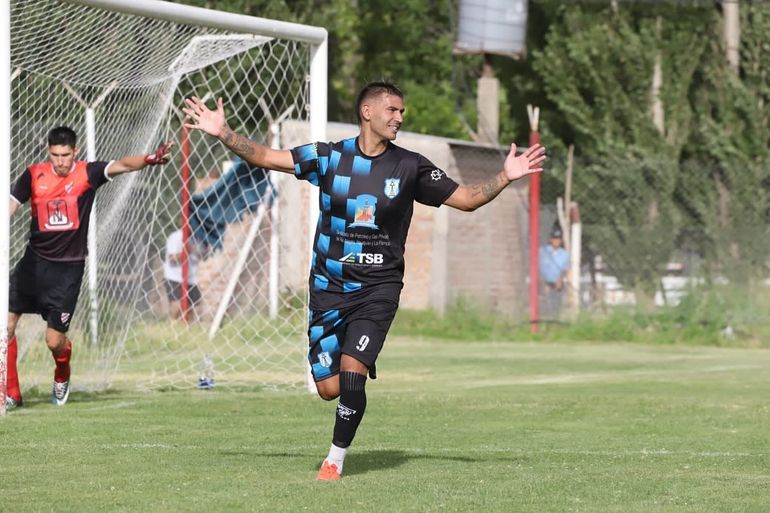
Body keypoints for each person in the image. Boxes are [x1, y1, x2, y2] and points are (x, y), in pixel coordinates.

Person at [182, 81, 546, 480]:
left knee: (353, 371)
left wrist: (506, 175)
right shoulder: (329, 158)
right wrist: (223, 133)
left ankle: (334, 460)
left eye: (402, 112)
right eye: (393, 110)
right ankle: (348, 386)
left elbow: (467, 199)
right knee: (329, 388)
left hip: (379, 288)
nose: (400, 118)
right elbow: (267, 157)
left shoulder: (410, 166)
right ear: (367, 112)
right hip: (328, 288)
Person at [6, 126, 173, 409]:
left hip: (67, 271)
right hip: (32, 265)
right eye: (55, 155)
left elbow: (120, 165)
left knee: (53, 341)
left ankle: (62, 373)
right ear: (49, 151)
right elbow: (9, 205)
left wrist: (148, 158)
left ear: (75, 151)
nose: (60, 161)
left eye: (65, 155)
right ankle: (11, 394)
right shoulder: (33, 175)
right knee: (5, 324)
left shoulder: (86, 174)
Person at [163, 228, 203, 321]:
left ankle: (187, 330)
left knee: (191, 308)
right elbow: (172, 259)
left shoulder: (200, 237)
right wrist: (188, 250)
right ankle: (171, 325)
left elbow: (204, 255)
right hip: (174, 276)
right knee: (176, 306)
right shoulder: (176, 237)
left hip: (192, 278)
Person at [539, 223, 570, 319]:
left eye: (558, 239)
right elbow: (538, 267)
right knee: (543, 309)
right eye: (554, 238)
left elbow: (565, 270)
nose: (556, 241)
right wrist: (543, 283)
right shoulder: (543, 251)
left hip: (557, 284)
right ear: (550, 240)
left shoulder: (565, 255)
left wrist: (560, 281)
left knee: (556, 308)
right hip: (543, 283)